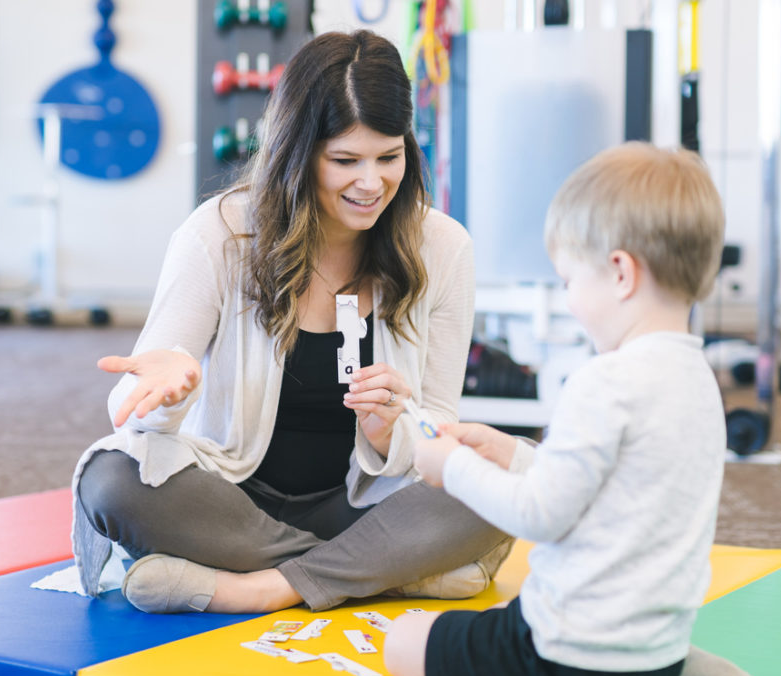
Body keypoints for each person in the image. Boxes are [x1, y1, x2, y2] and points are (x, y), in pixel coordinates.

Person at [69, 29, 513, 616]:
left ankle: (260, 588)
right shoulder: (219, 234)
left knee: (499, 475)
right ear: (298, 151)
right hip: (229, 500)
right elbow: (137, 409)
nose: (371, 183)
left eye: (389, 157)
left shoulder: (443, 247)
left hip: (360, 502)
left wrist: (390, 433)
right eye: (344, 160)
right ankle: (384, 572)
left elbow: (438, 430)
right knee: (110, 480)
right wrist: (169, 388)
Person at [384, 142, 762, 676]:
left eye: (567, 281)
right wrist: (510, 454)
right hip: (650, 650)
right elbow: (612, 496)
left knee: (404, 641)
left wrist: (450, 468)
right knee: (506, 614)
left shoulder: (605, 381)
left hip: (568, 665)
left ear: (619, 272)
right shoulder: (695, 378)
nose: (568, 298)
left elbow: (541, 516)